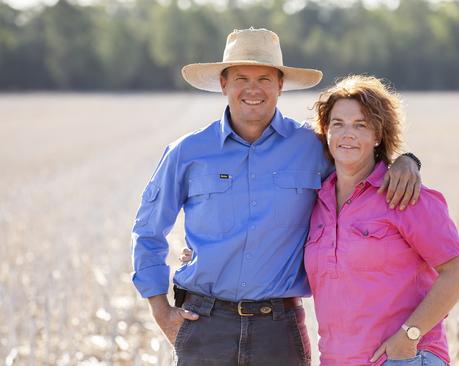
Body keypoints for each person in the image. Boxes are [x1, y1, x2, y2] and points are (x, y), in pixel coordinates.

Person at [131, 28, 422, 366]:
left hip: (278, 330)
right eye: (241, 78)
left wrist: (406, 160)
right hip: (204, 325)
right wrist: (161, 311)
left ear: (280, 85)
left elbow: (363, 170)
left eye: (265, 79)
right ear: (223, 84)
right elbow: (147, 231)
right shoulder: (187, 152)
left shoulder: (313, 147)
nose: (253, 89)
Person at [306, 75, 459, 365]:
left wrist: (408, 337)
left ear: (378, 135)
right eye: (338, 124)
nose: (348, 134)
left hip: (401, 359)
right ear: (326, 132)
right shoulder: (316, 201)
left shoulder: (404, 195)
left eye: (361, 125)